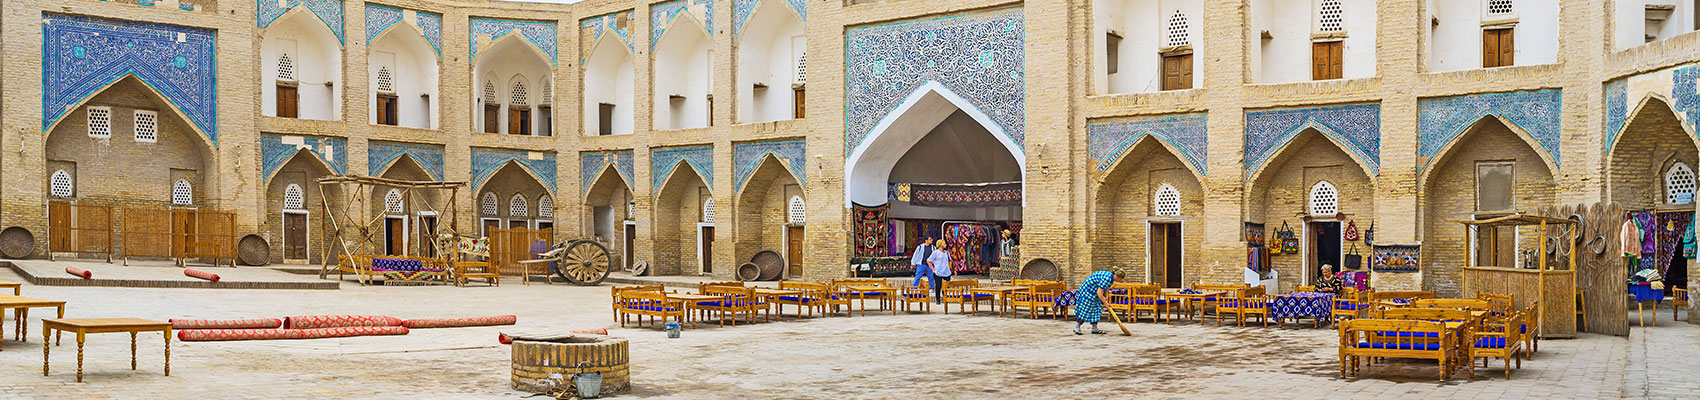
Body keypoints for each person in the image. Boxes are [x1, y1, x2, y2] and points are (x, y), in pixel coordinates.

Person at [1072, 267, 1125, 335]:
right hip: (1087, 291)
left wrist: (1106, 296)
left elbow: (1106, 287)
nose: (1120, 280)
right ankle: (1077, 326)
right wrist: (1106, 303)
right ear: (1116, 275)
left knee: (1097, 309)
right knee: (1087, 309)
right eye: (1120, 278)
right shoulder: (1107, 278)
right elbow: (1099, 292)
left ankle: (1094, 328)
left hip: (1095, 292)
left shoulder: (1111, 278)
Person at [927, 239, 952, 304]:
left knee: (947, 285)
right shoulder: (935, 252)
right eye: (944, 244)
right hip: (938, 271)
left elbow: (950, 260)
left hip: (946, 271)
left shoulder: (947, 252)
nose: (945, 245)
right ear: (940, 245)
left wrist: (951, 269)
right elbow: (929, 261)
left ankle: (945, 296)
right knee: (938, 286)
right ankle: (938, 299)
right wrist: (933, 269)